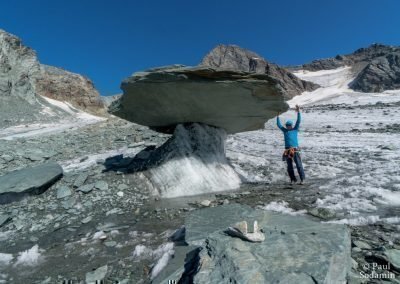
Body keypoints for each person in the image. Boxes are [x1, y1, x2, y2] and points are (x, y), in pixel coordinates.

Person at [277, 105, 305, 185]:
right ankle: (293, 180)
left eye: (289, 125)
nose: (288, 127)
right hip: (287, 150)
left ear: (291, 125)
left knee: (299, 165)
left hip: (295, 150)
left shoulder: (295, 129)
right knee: (289, 167)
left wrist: (298, 112)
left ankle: (302, 179)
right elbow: (279, 125)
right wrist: (278, 116)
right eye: (287, 126)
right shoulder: (285, 131)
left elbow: (298, 121)